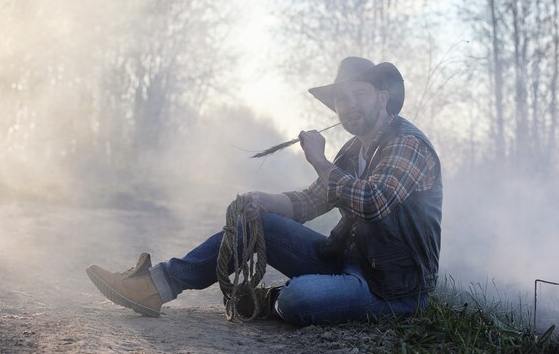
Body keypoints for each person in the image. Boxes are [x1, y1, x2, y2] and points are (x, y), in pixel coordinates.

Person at [87, 57, 443, 326]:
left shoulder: (408, 145)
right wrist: (264, 202)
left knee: (297, 300)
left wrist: (319, 159)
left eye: (359, 95)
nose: (349, 106)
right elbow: (312, 200)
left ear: (382, 98)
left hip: (392, 289)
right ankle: (155, 286)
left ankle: (271, 299)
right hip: (347, 260)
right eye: (342, 99)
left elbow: (372, 203)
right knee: (256, 223)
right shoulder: (353, 150)